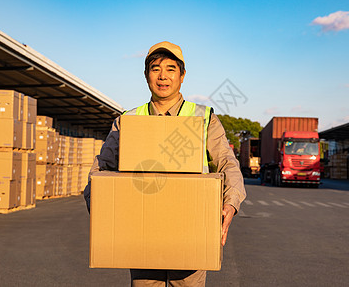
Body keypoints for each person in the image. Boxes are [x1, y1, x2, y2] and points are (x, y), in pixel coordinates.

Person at [84, 41, 246, 287]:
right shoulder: (128, 121)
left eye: (171, 69)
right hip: (141, 237)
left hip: (191, 234)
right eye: (155, 68)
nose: (163, 76)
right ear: (146, 74)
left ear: (182, 76)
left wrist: (230, 205)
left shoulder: (203, 118)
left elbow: (227, 164)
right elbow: (100, 171)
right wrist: (104, 212)